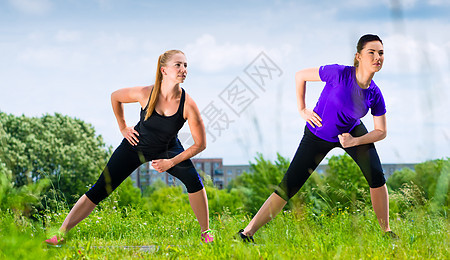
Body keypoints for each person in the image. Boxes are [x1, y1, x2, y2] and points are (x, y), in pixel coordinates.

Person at [238, 34, 398, 242]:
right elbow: (300, 75)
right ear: (358, 56)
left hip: (350, 132)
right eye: (372, 52)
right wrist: (302, 109)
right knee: (289, 185)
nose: (377, 57)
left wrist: (354, 141)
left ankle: (386, 232)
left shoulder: (375, 94)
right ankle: (246, 233)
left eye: (381, 53)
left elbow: (381, 131)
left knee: (377, 176)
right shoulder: (339, 73)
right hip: (317, 133)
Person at [45, 50, 213, 245]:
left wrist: (171, 162)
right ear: (164, 70)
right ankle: (61, 234)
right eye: (178, 65)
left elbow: (201, 144)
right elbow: (115, 96)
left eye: (185, 65)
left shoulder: (188, 104)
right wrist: (123, 127)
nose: (183, 69)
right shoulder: (145, 93)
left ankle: (206, 234)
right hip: (135, 146)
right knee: (101, 187)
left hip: (168, 149)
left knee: (194, 181)